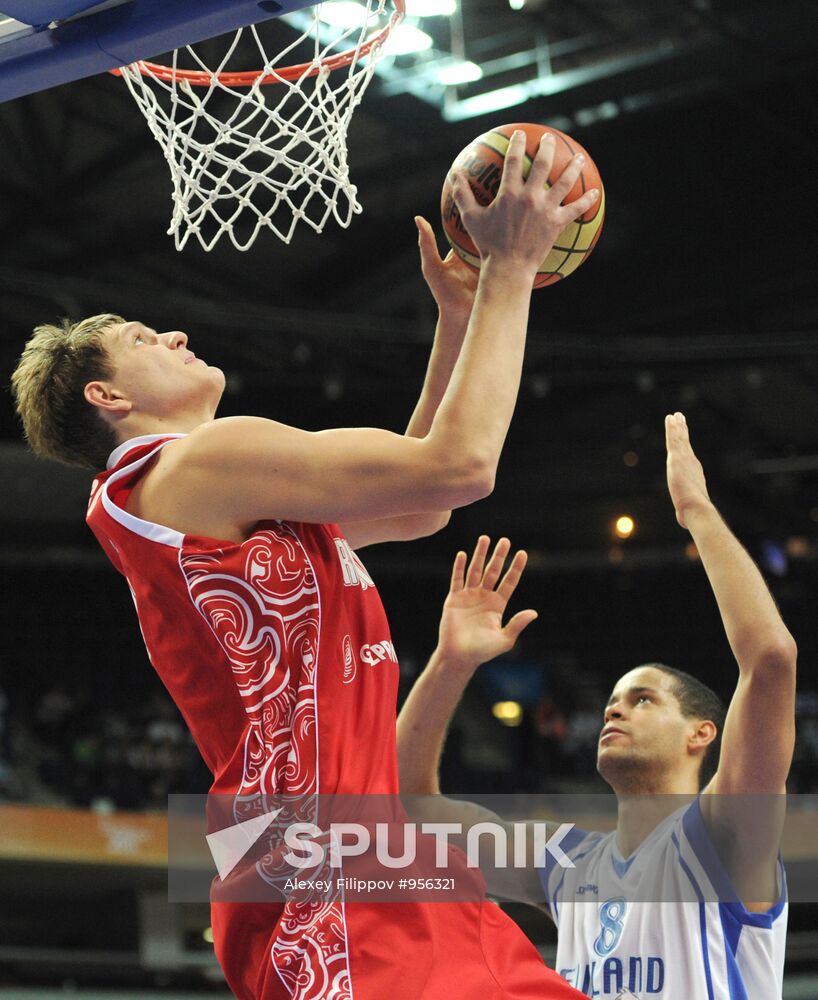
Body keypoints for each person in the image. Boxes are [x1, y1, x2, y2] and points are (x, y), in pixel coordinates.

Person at [11, 131, 596, 999]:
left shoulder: (212, 508)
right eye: (142, 338)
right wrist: (511, 267)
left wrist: (460, 323)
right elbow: (463, 468)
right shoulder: (196, 464)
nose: (173, 331)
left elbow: (418, 501)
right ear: (108, 398)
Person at [397, 413, 795, 999]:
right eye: (613, 700)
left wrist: (698, 514)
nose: (615, 710)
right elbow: (410, 803)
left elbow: (770, 658)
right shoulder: (565, 862)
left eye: (643, 699)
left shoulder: (726, 835)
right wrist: (450, 663)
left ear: (702, 733)